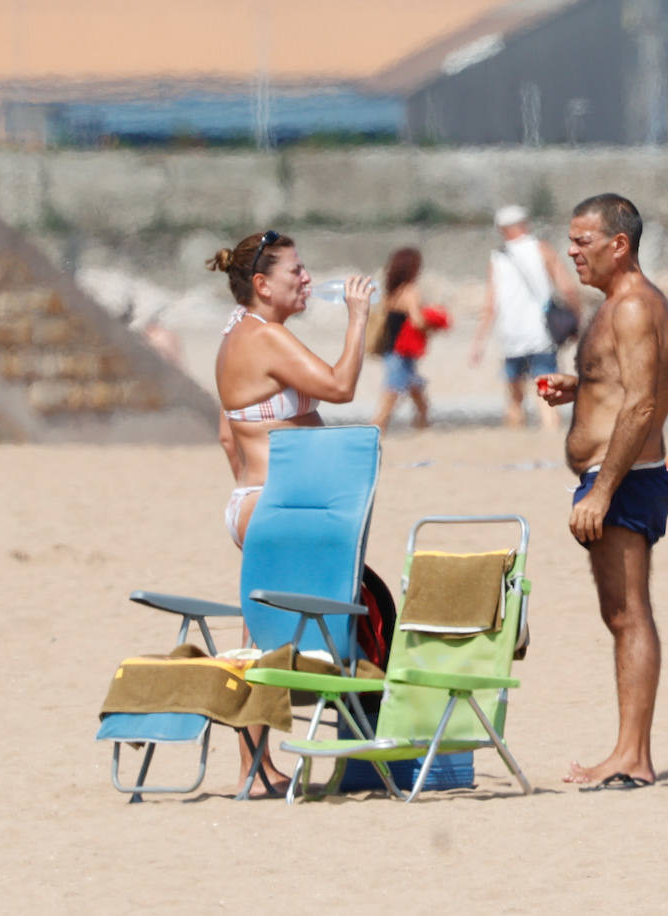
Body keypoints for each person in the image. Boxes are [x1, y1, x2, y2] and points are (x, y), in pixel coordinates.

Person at [209, 229, 374, 795]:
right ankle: (259, 769)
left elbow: (228, 435)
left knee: (263, 632)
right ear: (262, 284)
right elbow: (340, 385)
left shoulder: (236, 334)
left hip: (256, 504)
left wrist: (251, 489)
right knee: (278, 635)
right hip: (274, 511)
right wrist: (357, 317)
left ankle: (259, 768)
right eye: (295, 273)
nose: (306, 280)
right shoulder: (264, 336)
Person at [537, 193, 668, 790]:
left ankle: (633, 756)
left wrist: (603, 491)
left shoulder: (630, 307)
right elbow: (629, 383)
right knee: (620, 614)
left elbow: (645, 402)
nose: (572, 252)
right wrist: (584, 386)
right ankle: (628, 750)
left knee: (629, 616)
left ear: (618, 244)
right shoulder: (624, 305)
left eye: (582, 241)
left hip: (623, 478)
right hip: (617, 475)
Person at [470, 204, 582, 431]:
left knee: (514, 397)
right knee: (546, 392)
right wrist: (577, 316)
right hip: (540, 333)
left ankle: (515, 442)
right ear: (524, 223)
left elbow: (490, 304)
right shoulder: (542, 249)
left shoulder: (498, 258)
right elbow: (567, 288)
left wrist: (479, 341)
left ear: (502, 229)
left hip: (510, 335)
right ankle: (549, 441)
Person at [371, 247, 450, 432]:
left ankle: (423, 430)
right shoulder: (410, 291)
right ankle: (373, 433)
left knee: (420, 399)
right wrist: (436, 322)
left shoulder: (391, 293)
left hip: (391, 350)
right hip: (402, 352)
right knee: (389, 401)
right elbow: (417, 321)